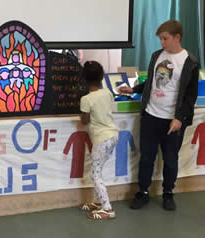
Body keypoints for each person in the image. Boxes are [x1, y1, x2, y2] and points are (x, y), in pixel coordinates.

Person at [118, 20, 200, 211]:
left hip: (172, 121)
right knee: (146, 157)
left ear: (177, 37)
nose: (162, 43)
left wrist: (179, 118)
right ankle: (143, 192)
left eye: (165, 38)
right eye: (160, 39)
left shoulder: (190, 63)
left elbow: (190, 95)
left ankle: (168, 193)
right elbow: (151, 83)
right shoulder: (157, 56)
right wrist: (133, 89)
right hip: (151, 116)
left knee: (171, 159)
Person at [78, 61, 118, 220]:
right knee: (98, 169)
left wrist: (81, 114)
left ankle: (107, 208)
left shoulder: (86, 99)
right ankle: (97, 201)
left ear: (84, 79)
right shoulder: (108, 92)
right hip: (113, 135)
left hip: (101, 139)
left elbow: (85, 121)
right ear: (102, 76)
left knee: (95, 174)